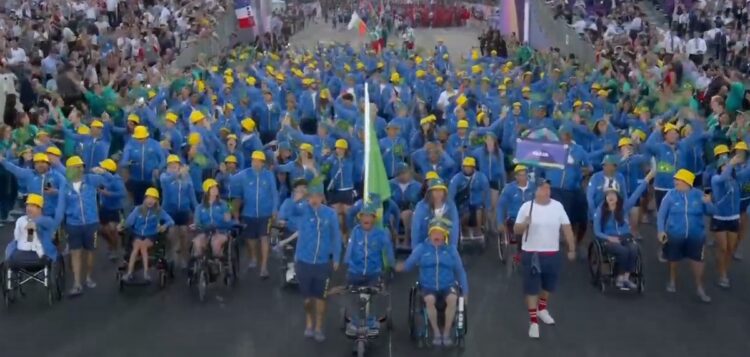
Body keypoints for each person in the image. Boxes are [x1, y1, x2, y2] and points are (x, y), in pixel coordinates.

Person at [513, 179, 576, 339]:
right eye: (542, 188)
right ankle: (533, 321)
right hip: (532, 253)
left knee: (548, 286)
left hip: (552, 253)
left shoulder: (557, 206)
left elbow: (567, 227)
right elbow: (516, 229)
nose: (546, 191)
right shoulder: (527, 207)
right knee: (532, 288)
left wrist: (572, 247)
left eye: (548, 188)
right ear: (536, 191)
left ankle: (542, 309)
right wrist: (525, 224)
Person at [396, 218, 468, 347]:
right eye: (434, 233)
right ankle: (436, 332)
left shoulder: (451, 250)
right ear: (429, 234)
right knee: (429, 300)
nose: (437, 236)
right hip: (428, 286)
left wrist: (466, 293)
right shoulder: (421, 249)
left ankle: (445, 333)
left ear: (445, 235)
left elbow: (460, 271)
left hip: (448, 285)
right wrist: (399, 266)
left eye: (440, 233)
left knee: (452, 299)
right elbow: (409, 264)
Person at [290, 183, 342, 342]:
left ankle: (318, 327)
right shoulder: (302, 210)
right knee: (307, 299)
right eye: (311, 197)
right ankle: (309, 321)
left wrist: (337, 257)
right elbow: (289, 211)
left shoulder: (330, 214)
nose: (314, 200)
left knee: (320, 297)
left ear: (322, 198)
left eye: (317, 197)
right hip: (303, 262)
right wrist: (297, 198)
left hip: (322, 263)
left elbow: (336, 236)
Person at [657, 169, 714, 303]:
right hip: (675, 234)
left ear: (687, 182)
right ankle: (672, 280)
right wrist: (660, 231)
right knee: (674, 259)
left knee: (698, 261)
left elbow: (712, 212)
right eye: (675, 179)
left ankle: (699, 287)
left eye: (679, 180)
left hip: (696, 236)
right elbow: (661, 215)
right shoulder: (670, 195)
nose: (675, 182)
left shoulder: (700, 195)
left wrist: (709, 203)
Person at [593, 170, 653, 290]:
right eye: (608, 194)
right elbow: (597, 231)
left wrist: (648, 178)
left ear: (617, 196)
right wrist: (609, 238)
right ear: (605, 196)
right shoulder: (600, 210)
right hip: (609, 240)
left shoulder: (623, 207)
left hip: (625, 236)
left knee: (634, 248)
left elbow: (636, 193)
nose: (610, 197)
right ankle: (619, 277)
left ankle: (626, 277)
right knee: (623, 251)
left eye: (613, 194)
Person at [343, 200, 395, 335]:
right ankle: (354, 320)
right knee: (351, 294)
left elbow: (388, 249)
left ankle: (371, 320)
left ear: (374, 218)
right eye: (363, 216)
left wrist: (391, 264)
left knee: (376, 295)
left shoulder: (380, 233)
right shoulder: (355, 232)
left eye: (369, 215)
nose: (366, 218)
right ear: (360, 218)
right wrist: (347, 263)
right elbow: (350, 248)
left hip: (374, 272)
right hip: (355, 271)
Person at [61, 156, 110, 296]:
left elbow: (111, 182)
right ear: (70, 169)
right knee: (75, 253)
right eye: (77, 166)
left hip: (92, 224)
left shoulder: (91, 180)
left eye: (81, 166)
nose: (80, 169)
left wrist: (104, 172)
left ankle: (88, 277)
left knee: (90, 252)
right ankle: (77, 283)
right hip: (73, 225)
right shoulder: (65, 185)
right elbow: (61, 206)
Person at [231, 150, 278, 278]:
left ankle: (263, 267)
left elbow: (274, 193)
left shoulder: (269, 175)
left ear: (263, 163)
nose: (255, 163)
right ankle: (253, 257)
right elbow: (231, 179)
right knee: (250, 239)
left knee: (264, 238)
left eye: (258, 161)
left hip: (265, 213)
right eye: (253, 160)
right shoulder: (244, 174)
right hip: (248, 213)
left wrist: (274, 209)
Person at [122, 188, 175, 282]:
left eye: (153, 199)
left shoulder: (159, 211)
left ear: (156, 201)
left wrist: (165, 226)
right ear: (145, 199)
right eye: (149, 198)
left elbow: (171, 221)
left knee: (143, 246)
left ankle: (146, 273)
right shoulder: (137, 209)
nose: (150, 201)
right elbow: (129, 222)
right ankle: (129, 273)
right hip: (137, 234)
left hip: (151, 236)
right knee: (136, 247)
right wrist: (122, 225)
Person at [4, 193, 65, 268]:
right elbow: (16, 237)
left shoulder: (47, 221)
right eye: (28, 205)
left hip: (41, 255)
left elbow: (50, 226)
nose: (29, 208)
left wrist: (34, 224)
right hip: (21, 254)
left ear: (40, 209)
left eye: (32, 206)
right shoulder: (21, 220)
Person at [160, 155, 198, 268]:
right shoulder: (164, 177)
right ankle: (170, 256)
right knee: (171, 235)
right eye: (170, 166)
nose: (173, 168)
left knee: (184, 235)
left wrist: (197, 210)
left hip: (184, 211)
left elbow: (192, 196)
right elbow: (166, 182)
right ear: (167, 167)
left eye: (175, 166)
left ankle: (183, 257)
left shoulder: (187, 178)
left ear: (179, 166)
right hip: (169, 212)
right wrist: (178, 174)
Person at [411, 179, 460, 250]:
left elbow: (455, 229)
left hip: (445, 247)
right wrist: (415, 251)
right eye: (435, 190)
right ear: (430, 193)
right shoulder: (421, 206)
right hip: (425, 247)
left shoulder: (451, 206)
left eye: (441, 190)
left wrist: (453, 251)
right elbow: (416, 230)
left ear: (444, 192)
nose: (438, 193)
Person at [93, 159, 126, 261]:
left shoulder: (117, 180)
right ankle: (111, 244)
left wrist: (109, 194)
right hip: (104, 208)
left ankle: (114, 250)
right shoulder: (100, 178)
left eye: (102, 168)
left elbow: (122, 194)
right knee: (102, 230)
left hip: (115, 209)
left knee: (112, 230)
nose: (100, 168)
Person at [191, 179, 233, 258]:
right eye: (212, 188)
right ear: (207, 191)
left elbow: (228, 220)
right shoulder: (199, 207)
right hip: (205, 232)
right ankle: (200, 264)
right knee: (197, 242)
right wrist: (199, 227)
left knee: (215, 243)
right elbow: (197, 222)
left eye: (216, 188)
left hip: (220, 231)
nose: (215, 190)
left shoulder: (224, 204)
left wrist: (220, 225)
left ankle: (216, 263)